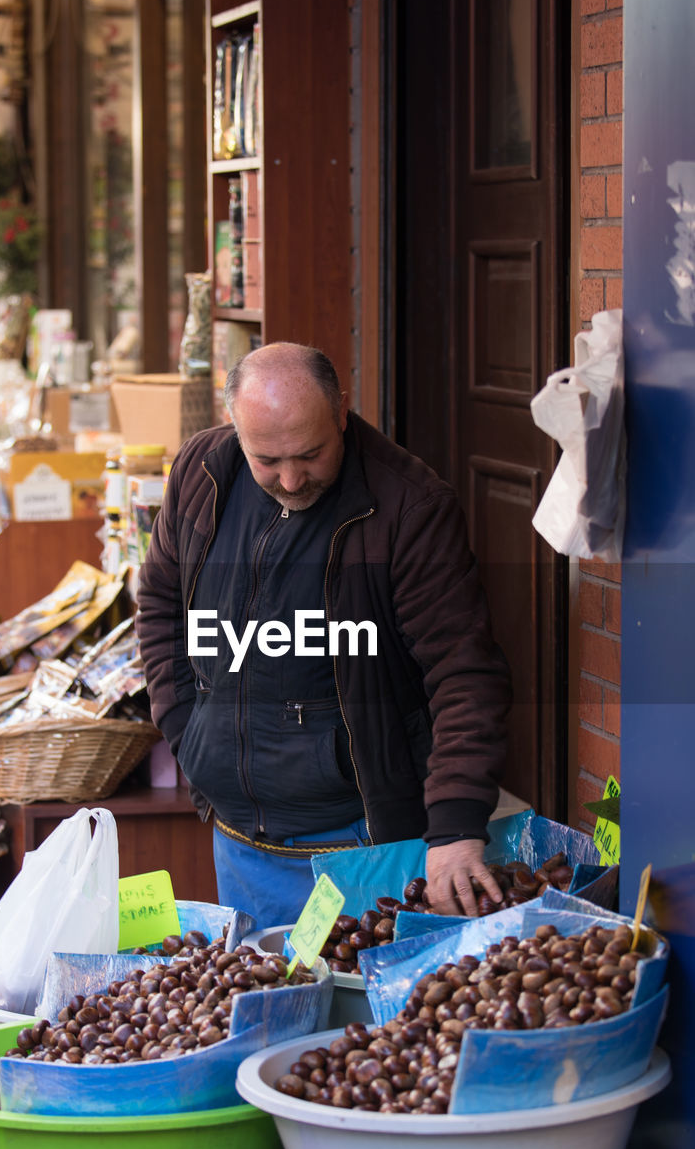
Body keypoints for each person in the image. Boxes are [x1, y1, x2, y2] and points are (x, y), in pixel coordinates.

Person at [136, 342, 512, 926]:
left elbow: (463, 673)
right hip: (240, 837)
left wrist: (457, 826)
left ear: (340, 411)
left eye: (310, 454)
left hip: (359, 842)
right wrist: (188, 730)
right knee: (266, 1003)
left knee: (363, 1010)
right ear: (235, 426)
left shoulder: (409, 507)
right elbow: (161, 602)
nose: (290, 479)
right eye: (267, 460)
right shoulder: (201, 470)